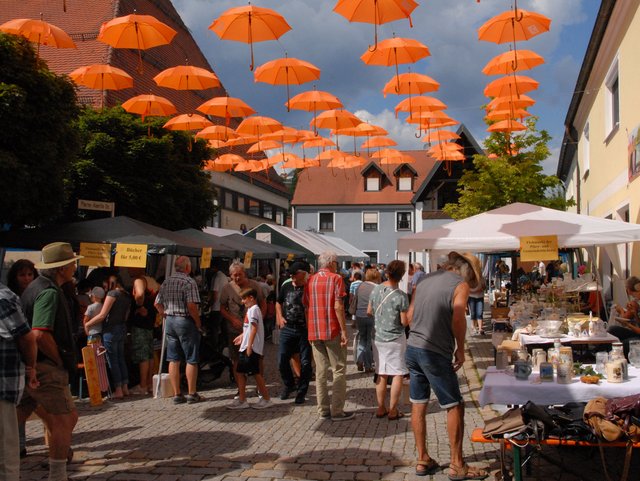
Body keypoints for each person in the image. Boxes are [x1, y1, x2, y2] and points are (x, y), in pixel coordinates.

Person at [406, 251, 488, 479]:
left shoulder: (424, 279)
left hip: (413, 348)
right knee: (454, 405)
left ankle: (423, 459)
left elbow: (409, 316)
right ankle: (457, 464)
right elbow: (459, 317)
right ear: (467, 272)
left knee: (418, 403)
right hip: (434, 351)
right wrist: (460, 349)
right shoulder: (459, 285)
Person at [18, 242, 81, 481]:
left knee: (14, 418)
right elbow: (40, 333)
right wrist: (59, 359)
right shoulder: (48, 291)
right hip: (44, 366)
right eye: (72, 262)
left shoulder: (38, 287)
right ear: (62, 267)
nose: (75, 266)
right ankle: (58, 474)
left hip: (31, 364)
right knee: (65, 419)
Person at [304, 251, 353, 421]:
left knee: (320, 372)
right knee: (339, 369)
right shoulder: (336, 278)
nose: (337, 265)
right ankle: (337, 410)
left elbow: (307, 305)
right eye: (337, 262)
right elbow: (338, 306)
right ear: (331, 262)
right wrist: (344, 331)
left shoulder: (310, 280)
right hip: (331, 330)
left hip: (314, 330)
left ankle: (323, 410)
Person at [1, 282, 38, 481]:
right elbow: (27, 337)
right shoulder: (2, 297)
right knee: (5, 455)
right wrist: (31, 367)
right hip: (3, 387)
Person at [155, 256, 203, 405]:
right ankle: (192, 393)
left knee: (173, 358)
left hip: (170, 321)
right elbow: (191, 306)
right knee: (191, 357)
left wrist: (165, 313)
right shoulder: (189, 282)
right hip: (184, 320)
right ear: (188, 268)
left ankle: (177, 394)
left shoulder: (166, 281)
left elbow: (157, 303)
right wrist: (198, 322)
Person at [368, 260, 409, 420]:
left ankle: (380, 408)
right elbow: (404, 321)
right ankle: (393, 409)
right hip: (395, 338)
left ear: (387, 272)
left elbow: (369, 311)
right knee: (397, 373)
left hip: (378, 337)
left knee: (381, 373)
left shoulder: (376, 290)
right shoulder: (401, 296)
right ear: (402, 275)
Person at [220, 261, 266, 395]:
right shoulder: (227, 288)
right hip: (235, 330)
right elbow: (222, 307)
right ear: (230, 275)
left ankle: (260, 388)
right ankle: (241, 389)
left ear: (244, 273)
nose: (237, 278)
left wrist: (259, 319)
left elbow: (263, 303)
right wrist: (232, 319)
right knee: (236, 360)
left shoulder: (254, 285)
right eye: (234, 275)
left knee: (257, 359)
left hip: (253, 329)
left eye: (239, 274)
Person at [85, 275, 131, 399]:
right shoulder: (126, 295)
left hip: (110, 330)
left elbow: (102, 315)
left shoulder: (112, 294)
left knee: (113, 359)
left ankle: (118, 389)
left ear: (112, 283)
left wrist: (88, 323)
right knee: (121, 358)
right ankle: (125, 387)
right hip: (122, 328)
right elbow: (126, 316)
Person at [228, 288, 272, 409]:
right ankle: (242, 399)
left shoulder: (254, 310)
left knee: (255, 373)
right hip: (247, 345)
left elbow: (254, 328)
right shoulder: (251, 310)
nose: (242, 301)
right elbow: (249, 329)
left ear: (251, 298)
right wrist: (242, 336)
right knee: (240, 372)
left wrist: (249, 345)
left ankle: (266, 398)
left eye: (244, 299)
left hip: (251, 347)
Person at [276, 261, 312, 404]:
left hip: (304, 329)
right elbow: (278, 302)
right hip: (288, 328)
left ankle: (301, 392)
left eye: (294, 273)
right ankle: (290, 385)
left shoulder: (309, 288)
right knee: (281, 359)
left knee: (305, 363)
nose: (291, 276)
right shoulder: (286, 286)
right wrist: (280, 317)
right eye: (290, 273)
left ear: (303, 274)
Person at [129, 274, 158, 396]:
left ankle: (143, 385)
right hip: (150, 323)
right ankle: (149, 384)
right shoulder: (152, 281)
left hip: (141, 324)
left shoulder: (139, 280)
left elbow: (140, 295)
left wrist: (139, 306)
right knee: (149, 354)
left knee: (143, 355)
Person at [354, 268, 380, 372]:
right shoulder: (377, 288)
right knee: (369, 340)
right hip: (371, 315)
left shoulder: (360, 286)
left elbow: (355, 300)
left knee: (362, 338)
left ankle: (360, 360)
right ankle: (368, 366)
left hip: (359, 314)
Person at [609, 276, 640, 358]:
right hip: (637, 332)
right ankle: (606, 353)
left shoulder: (635, 302)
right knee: (612, 329)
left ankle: (618, 359)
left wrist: (628, 324)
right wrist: (635, 312)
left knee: (623, 344)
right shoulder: (636, 302)